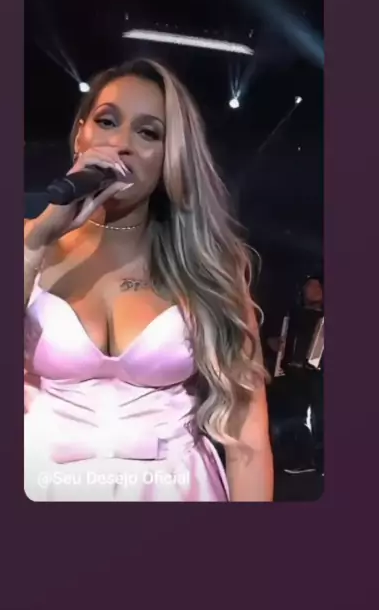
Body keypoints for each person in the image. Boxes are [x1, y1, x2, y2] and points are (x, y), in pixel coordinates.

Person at [24, 57, 273, 502]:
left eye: (148, 133)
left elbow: (246, 434)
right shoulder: (28, 244)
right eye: (107, 121)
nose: (121, 144)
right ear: (80, 133)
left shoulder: (206, 264)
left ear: (170, 157)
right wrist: (35, 242)